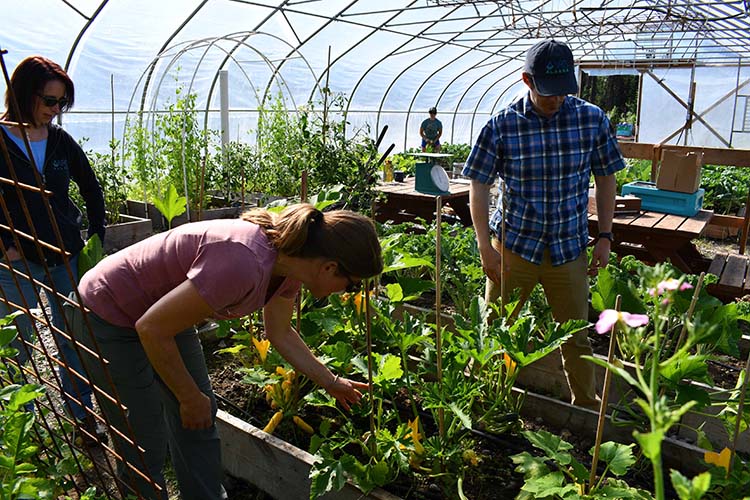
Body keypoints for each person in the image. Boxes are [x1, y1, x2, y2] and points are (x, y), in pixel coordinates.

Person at [66, 203, 383, 500]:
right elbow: (151, 329)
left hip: (161, 316)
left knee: (200, 419)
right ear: (329, 268)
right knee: (144, 436)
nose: (349, 292)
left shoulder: (288, 269)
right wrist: (188, 397)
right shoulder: (244, 262)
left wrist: (330, 381)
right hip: (105, 313)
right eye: (352, 284)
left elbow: (280, 332)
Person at [461, 39, 625, 409]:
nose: (556, 99)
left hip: (569, 249)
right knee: (495, 332)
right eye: (547, 92)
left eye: (563, 90)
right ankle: (482, 403)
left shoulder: (591, 119)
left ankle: (584, 411)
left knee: (577, 337)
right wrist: (484, 246)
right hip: (515, 247)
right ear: (526, 80)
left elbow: (606, 177)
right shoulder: (502, 125)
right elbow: (479, 184)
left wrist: (605, 235)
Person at [0, 56, 106, 435]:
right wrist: (6, 247)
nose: (55, 110)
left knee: (73, 339)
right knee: (16, 343)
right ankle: (14, 429)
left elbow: (91, 188)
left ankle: (81, 417)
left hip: (65, 255)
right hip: (17, 263)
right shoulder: (1, 140)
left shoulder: (60, 140)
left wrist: (96, 238)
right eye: (49, 101)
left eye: (61, 103)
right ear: (25, 95)